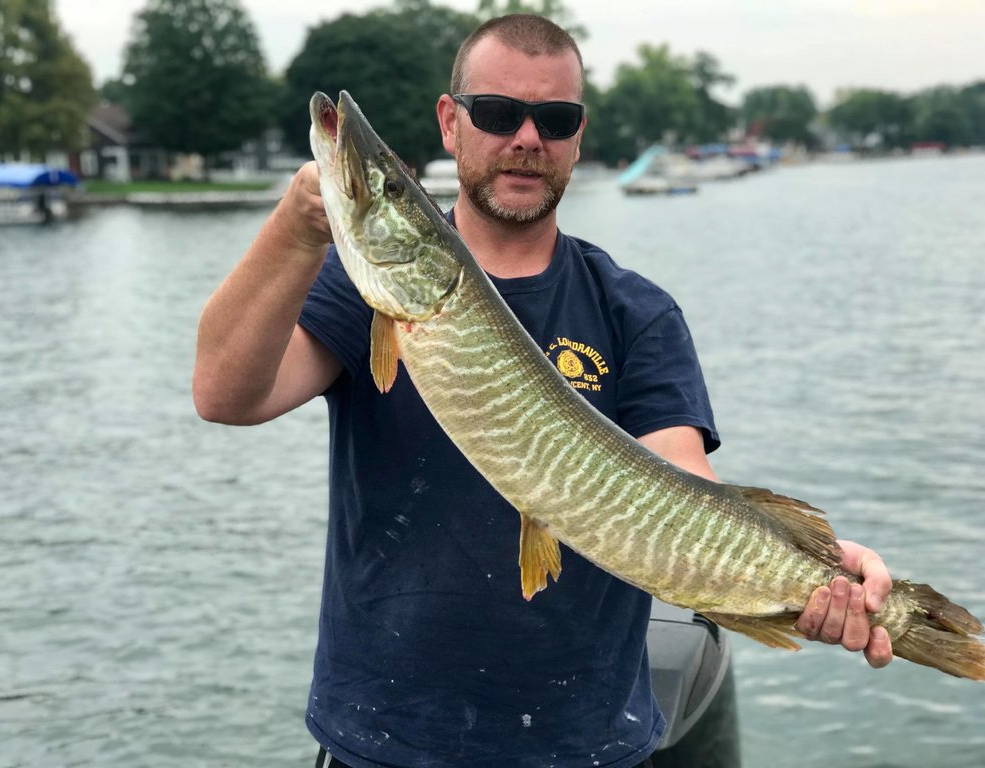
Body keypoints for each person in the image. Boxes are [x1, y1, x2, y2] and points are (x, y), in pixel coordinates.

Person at [193, 14, 893, 768]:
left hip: (584, 745)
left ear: (577, 136)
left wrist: (803, 564)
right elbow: (225, 395)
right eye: (497, 113)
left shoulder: (634, 310)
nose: (527, 137)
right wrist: (299, 230)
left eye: (553, 119)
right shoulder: (363, 295)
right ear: (450, 123)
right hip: (384, 740)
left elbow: (681, 477)